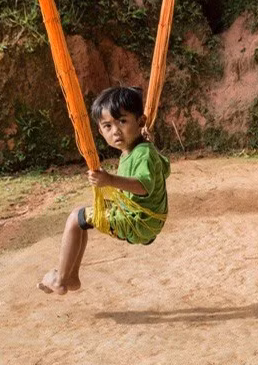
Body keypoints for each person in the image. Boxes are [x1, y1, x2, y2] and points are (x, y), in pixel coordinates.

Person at [38, 86, 170, 295]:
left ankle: (60, 279)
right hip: (141, 217)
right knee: (82, 219)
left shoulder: (143, 154)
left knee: (74, 218)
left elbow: (144, 187)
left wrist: (109, 180)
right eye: (107, 126)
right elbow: (164, 170)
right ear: (100, 132)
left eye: (122, 121)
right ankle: (72, 276)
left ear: (141, 121)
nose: (115, 130)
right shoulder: (140, 150)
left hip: (138, 222)